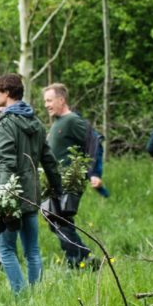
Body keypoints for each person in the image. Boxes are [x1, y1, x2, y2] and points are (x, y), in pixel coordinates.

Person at [0, 74, 62, 294]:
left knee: (5, 249)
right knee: (32, 250)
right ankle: (36, 297)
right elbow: (49, 160)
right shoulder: (37, 123)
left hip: (11, 196)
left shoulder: (7, 123)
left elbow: (7, 163)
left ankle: (21, 298)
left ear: (7, 93)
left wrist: (4, 199)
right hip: (31, 196)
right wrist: (56, 188)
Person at [43, 83, 99, 268]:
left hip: (69, 180)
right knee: (55, 219)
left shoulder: (72, 120)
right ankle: (82, 257)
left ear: (61, 100)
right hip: (55, 180)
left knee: (59, 219)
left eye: (49, 100)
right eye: (45, 101)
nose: (46, 105)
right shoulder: (58, 122)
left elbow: (95, 141)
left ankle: (78, 259)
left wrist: (92, 172)